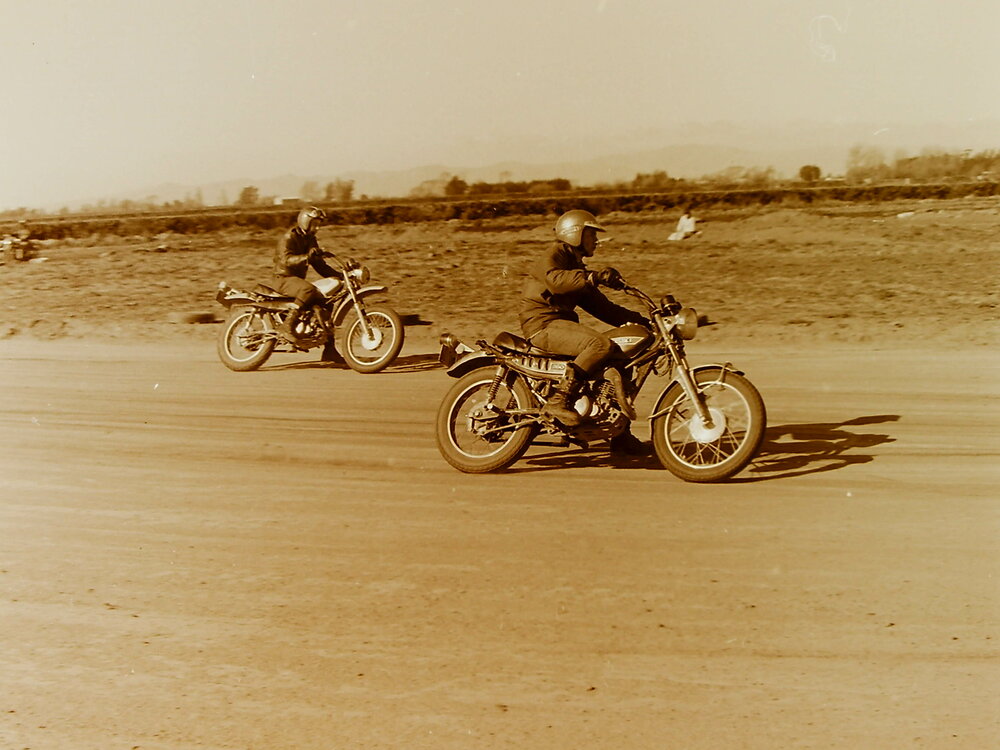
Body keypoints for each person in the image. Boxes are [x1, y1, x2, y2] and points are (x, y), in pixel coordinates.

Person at [518, 209, 650, 455]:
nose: (596, 241)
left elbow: (603, 307)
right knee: (600, 345)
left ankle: (619, 435)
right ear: (575, 234)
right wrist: (594, 277)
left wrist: (642, 320)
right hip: (542, 324)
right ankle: (560, 400)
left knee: (622, 358)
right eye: (592, 235)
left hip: (562, 324)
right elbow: (556, 280)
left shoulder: (576, 267)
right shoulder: (554, 255)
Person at [272, 206, 339, 343]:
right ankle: (287, 326)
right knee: (308, 289)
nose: (317, 228)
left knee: (326, 302)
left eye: (319, 225)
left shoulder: (310, 239)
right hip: (283, 279)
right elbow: (286, 260)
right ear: (305, 221)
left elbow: (320, 266)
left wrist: (341, 275)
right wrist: (307, 257)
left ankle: (329, 349)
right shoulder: (289, 237)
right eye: (315, 224)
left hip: (295, 281)